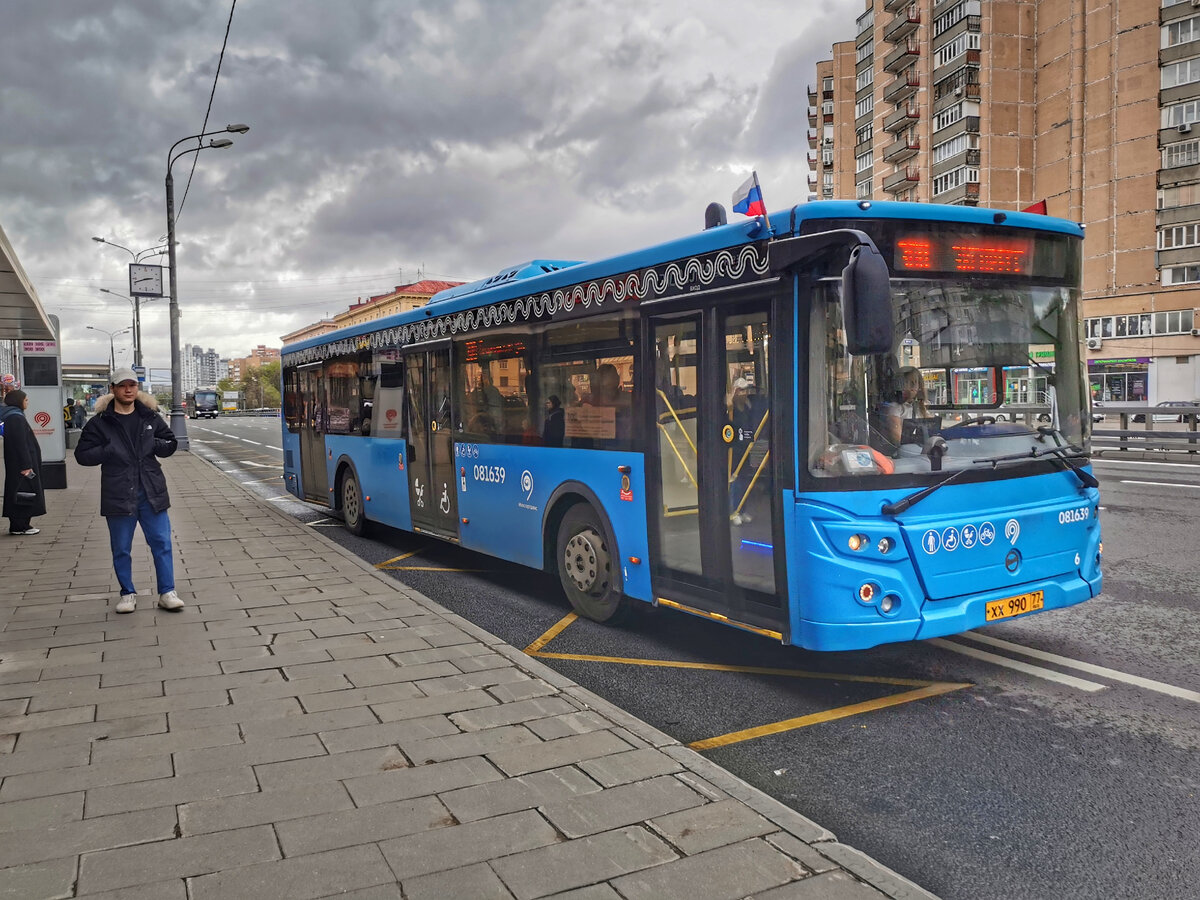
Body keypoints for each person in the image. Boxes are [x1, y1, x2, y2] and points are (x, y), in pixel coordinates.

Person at [74, 367, 183, 614]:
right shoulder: (100, 423)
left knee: (162, 543)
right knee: (121, 547)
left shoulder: (151, 417)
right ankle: (127, 593)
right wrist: (107, 450)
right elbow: (82, 455)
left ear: (137, 388)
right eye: (122, 385)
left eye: (132, 385)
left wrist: (153, 443)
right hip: (118, 491)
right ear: (112, 389)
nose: (128, 390)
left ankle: (167, 592)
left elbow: (170, 443)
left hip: (151, 491)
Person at [1, 389, 45, 536]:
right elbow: (20, 444)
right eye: (26, 400)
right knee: (24, 492)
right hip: (22, 465)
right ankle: (20, 525)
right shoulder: (15, 417)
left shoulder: (13, 416)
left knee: (21, 491)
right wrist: (26, 465)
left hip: (18, 464)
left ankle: (20, 524)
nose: (27, 403)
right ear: (18, 401)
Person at [728, 377, 768, 526]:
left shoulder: (747, 407)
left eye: (745, 390)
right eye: (741, 390)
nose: (744, 393)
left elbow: (749, 428)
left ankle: (742, 509)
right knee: (736, 482)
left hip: (745, 448)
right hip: (734, 450)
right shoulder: (730, 410)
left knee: (745, 481)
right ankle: (734, 511)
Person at [881, 365, 929, 447]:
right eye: (907, 383)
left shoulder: (920, 407)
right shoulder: (895, 408)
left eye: (914, 383)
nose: (911, 388)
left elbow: (931, 429)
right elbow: (898, 438)